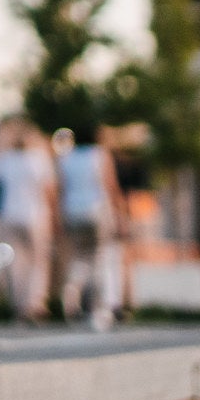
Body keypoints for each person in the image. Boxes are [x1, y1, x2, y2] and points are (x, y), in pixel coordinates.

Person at [55, 124, 125, 330]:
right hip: (96, 210)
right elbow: (110, 186)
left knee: (80, 256)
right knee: (101, 257)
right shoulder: (99, 154)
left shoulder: (66, 157)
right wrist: (120, 215)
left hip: (72, 212)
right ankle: (101, 308)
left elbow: (61, 188)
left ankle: (71, 296)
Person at [0, 120, 54, 323]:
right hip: (35, 215)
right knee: (38, 262)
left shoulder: (4, 160)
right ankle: (35, 303)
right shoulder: (39, 159)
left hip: (8, 215)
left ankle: (20, 305)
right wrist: (55, 216)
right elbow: (49, 191)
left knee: (15, 263)